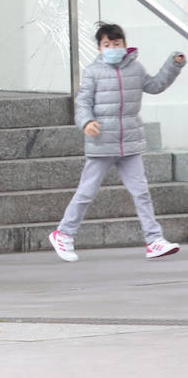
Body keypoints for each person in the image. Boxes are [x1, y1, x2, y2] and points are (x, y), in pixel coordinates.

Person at [49, 21, 186, 262]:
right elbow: (82, 103)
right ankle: (63, 233)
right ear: (100, 48)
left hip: (129, 144)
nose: (112, 47)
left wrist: (173, 65)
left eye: (116, 43)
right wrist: (86, 122)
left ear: (124, 44)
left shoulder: (136, 69)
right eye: (107, 44)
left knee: (141, 192)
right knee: (86, 192)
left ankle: (154, 240)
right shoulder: (93, 72)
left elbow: (155, 86)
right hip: (102, 144)